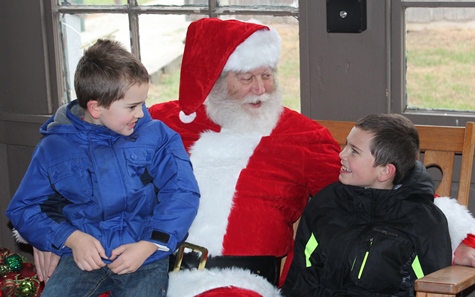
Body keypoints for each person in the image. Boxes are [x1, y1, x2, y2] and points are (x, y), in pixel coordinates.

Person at [32, 18, 475, 297]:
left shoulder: (301, 137)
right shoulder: (158, 122)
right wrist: (50, 234)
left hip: (241, 282)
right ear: (215, 80)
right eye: (247, 78)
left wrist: (463, 237)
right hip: (146, 270)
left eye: (268, 75)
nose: (263, 89)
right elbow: (72, 148)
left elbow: (385, 190)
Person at [5, 39, 200, 297]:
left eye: (142, 103)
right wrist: (71, 238)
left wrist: (151, 244)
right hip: (82, 258)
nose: (141, 113)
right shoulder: (54, 147)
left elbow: (182, 192)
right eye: (132, 106)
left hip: (143, 257)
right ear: (96, 108)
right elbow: (23, 208)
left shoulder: (158, 137)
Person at [281, 114, 452, 296]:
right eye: (346, 145)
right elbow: (300, 271)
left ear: (385, 171)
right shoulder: (326, 203)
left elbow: (432, 286)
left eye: (354, 151)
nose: (342, 154)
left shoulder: (423, 222)